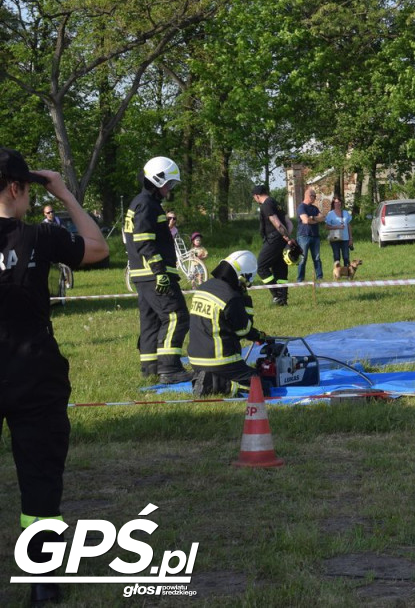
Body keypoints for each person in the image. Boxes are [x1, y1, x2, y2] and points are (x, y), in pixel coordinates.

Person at [0, 148, 109, 604]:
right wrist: (62, 191)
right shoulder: (39, 237)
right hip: (33, 374)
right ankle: (42, 579)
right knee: (40, 477)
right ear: (17, 188)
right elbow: (98, 248)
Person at [124, 156, 191, 383]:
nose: (170, 188)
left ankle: (150, 366)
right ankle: (169, 369)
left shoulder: (141, 202)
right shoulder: (147, 204)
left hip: (143, 275)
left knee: (151, 320)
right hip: (154, 274)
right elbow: (144, 240)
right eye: (169, 183)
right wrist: (160, 270)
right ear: (157, 179)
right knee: (176, 316)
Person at [188, 251, 271, 396]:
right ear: (242, 277)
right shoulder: (231, 297)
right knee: (261, 384)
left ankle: (209, 377)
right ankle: (217, 384)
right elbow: (243, 330)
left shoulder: (204, 287)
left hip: (195, 360)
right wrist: (245, 299)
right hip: (219, 360)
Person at [252, 184, 295, 306]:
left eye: (254, 197)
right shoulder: (276, 203)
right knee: (280, 269)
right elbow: (289, 223)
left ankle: (277, 295)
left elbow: (277, 223)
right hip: (281, 239)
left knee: (261, 266)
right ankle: (283, 300)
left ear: (257, 196)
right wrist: (288, 237)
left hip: (274, 239)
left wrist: (286, 237)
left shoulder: (266, 205)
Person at [296, 187, 324, 282]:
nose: (315, 198)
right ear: (309, 196)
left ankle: (319, 277)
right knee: (303, 258)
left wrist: (312, 218)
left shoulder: (315, 208)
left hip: (315, 236)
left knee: (317, 258)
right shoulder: (301, 207)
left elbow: (322, 218)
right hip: (304, 236)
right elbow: (305, 220)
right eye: (314, 196)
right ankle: (300, 279)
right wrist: (314, 219)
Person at [325, 196, 353, 277]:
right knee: (337, 256)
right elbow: (326, 227)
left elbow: (349, 225)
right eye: (336, 202)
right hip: (335, 239)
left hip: (345, 238)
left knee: (346, 256)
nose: (338, 204)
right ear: (333, 204)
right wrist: (337, 227)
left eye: (339, 202)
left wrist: (351, 238)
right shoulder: (330, 214)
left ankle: (348, 273)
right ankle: (337, 274)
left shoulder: (345, 213)